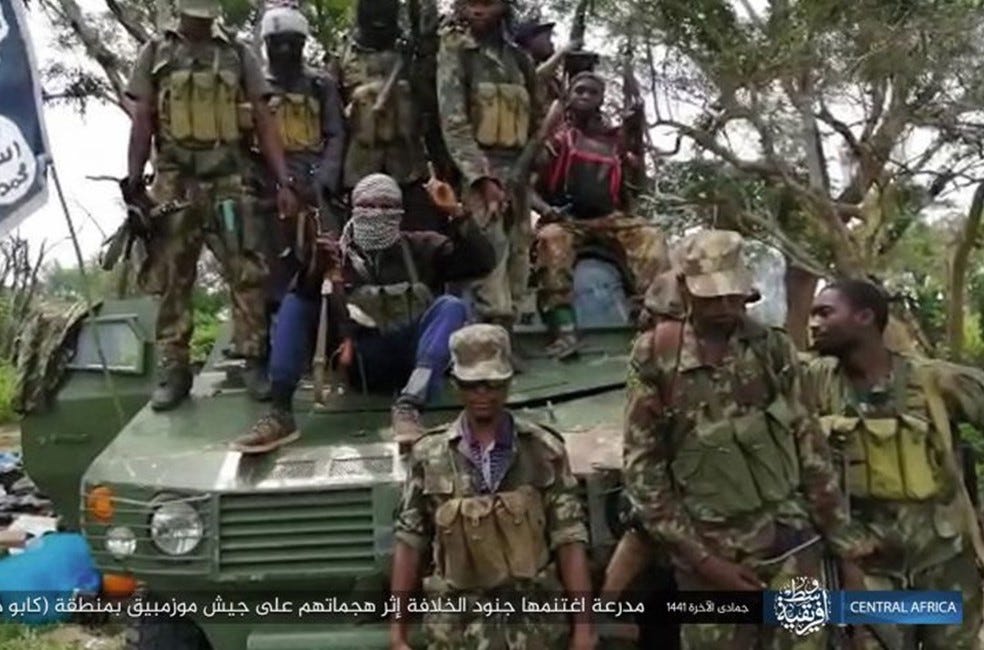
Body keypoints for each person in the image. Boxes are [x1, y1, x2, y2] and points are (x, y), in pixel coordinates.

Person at [622, 229, 870, 649]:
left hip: (791, 545)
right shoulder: (655, 358)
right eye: (710, 297)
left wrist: (846, 552)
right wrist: (704, 562)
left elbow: (811, 450)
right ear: (685, 290)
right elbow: (644, 474)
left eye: (732, 296)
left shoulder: (772, 349)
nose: (723, 308)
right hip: (708, 559)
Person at [233, 174, 496, 453]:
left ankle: (408, 408)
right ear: (353, 208)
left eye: (386, 206)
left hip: (413, 362)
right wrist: (315, 269)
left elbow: (482, 262)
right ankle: (280, 413)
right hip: (357, 361)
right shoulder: (337, 255)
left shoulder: (423, 247)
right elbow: (306, 297)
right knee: (297, 301)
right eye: (368, 206)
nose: (377, 214)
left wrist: (456, 212)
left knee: (452, 307)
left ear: (400, 212)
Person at [124, 0, 298, 411]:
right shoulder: (155, 51)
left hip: (229, 180)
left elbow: (262, 118)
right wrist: (133, 181)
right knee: (172, 278)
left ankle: (254, 358)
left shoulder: (238, 53)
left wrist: (284, 180)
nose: (198, 21)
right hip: (174, 182)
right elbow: (143, 118)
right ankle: (175, 368)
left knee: (247, 270)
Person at [389, 323, 596, 650]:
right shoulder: (429, 455)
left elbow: (569, 539)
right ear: (456, 384)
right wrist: (397, 633)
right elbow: (410, 541)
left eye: (492, 384)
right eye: (472, 385)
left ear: (508, 382)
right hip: (457, 633)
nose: (483, 394)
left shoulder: (542, 450)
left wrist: (584, 630)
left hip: (533, 629)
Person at [807, 279, 984, 650]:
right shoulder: (815, 383)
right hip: (871, 568)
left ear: (865, 317)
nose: (814, 323)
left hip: (943, 560)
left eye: (825, 312)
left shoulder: (933, 380)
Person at [533, 72, 670, 357]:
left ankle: (652, 319)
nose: (584, 96)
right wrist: (547, 211)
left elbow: (635, 186)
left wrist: (635, 137)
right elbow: (526, 186)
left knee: (650, 237)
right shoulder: (557, 140)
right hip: (568, 220)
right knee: (550, 240)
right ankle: (564, 329)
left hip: (610, 218)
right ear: (569, 96)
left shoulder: (614, 142)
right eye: (579, 91)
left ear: (600, 100)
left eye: (592, 92)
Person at [435, 0, 541, 333]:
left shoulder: (520, 59)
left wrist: (533, 164)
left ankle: (510, 336)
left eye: (488, 4)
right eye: (470, 4)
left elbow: (536, 118)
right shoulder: (456, 53)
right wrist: (480, 177)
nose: (478, 11)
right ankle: (491, 337)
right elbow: (454, 122)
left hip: (519, 174)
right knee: (489, 259)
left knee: (519, 255)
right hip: (481, 174)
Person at [247, 4, 345, 308]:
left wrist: (324, 180)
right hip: (267, 189)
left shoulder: (320, 84)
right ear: (267, 45)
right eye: (280, 44)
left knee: (330, 258)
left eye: (295, 43)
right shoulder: (251, 86)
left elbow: (336, 134)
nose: (287, 50)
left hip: (314, 185)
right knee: (265, 269)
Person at [335, 0, 442, 233]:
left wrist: (420, 59)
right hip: (359, 170)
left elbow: (431, 101)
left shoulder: (410, 52)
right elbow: (333, 118)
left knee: (421, 241)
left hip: (409, 168)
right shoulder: (342, 54)